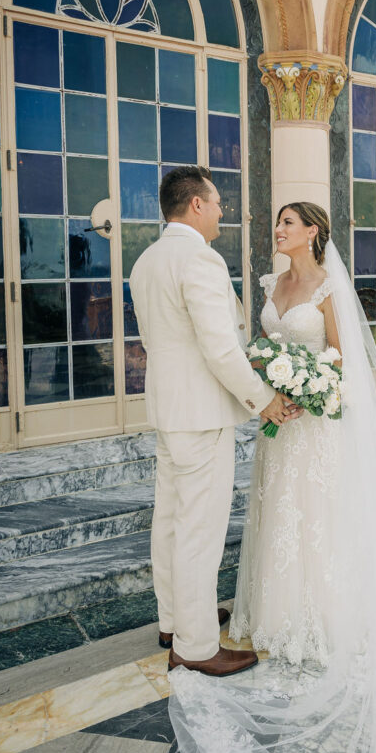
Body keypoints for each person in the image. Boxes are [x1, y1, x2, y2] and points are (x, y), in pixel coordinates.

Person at [168, 201, 376, 753]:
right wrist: (269, 381)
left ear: (313, 232)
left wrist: (311, 390)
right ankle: (272, 618)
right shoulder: (270, 283)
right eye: (276, 223)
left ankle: (320, 619)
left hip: (316, 427)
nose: (277, 230)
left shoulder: (330, 287)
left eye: (288, 223)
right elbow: (258, 344)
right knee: (276, 521)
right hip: (277, 428)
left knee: (313, 523)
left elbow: (344, 359)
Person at [129, 166, 300, 678]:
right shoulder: (198, 260)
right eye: (218, 201)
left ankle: (175, 619)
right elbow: (220, 349)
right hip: (201, 413)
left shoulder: (147, 260)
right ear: (196, 205)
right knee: (199, 530)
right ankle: (197, 645)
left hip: (169, 410)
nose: (224, 209)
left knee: (171, 521)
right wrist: (263, 399)